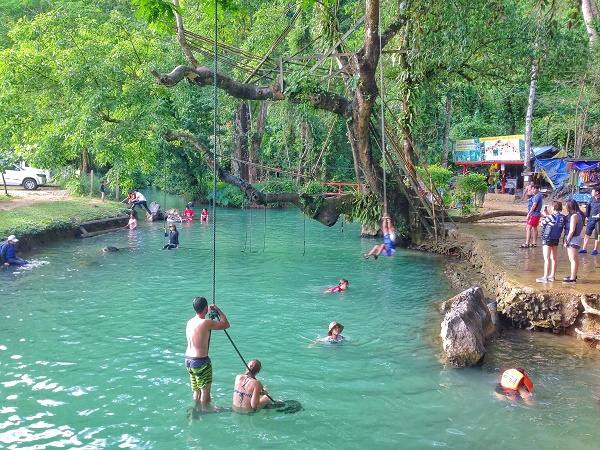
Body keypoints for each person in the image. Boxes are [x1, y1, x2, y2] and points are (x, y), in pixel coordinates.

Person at [185, 296, 230, 411]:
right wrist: (218, 310)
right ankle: (205, 410)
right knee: (205, 391)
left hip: (188, 361)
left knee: (196, 391)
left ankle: (194, 409)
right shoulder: (205, 323)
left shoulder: (190, 322)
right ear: (206, 308)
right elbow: (225, 324)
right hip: (200, 362)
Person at [536, 201, 565, 283]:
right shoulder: (562, 217)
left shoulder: (551, 217)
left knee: (547, 258)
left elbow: (542, 224)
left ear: (553, 208)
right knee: (554, 258)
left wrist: (545, 216)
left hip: (548, 238)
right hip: (556, 238)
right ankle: (552, 275)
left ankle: (545, 277)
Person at [563, 199, 584, 284]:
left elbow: (571, 230)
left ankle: (572, 278)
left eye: (566, 206)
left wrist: (567, 241)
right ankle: (573, 275)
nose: (565, 208)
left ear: (569, 207)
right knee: (574, 259)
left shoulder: (574, 216)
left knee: (573, 259)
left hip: (573, 239)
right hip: (577, 237)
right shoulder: (579, 214)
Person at [579, 186, 600, 254]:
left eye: (593, 191)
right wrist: (587, 216)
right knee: (587, 234)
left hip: (598, 221)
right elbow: (588, 208)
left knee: (598, 235)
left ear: (597, 192)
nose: (591, 193)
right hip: (591, 219)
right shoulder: (591, 199)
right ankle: (584, 248)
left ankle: (595, 249)